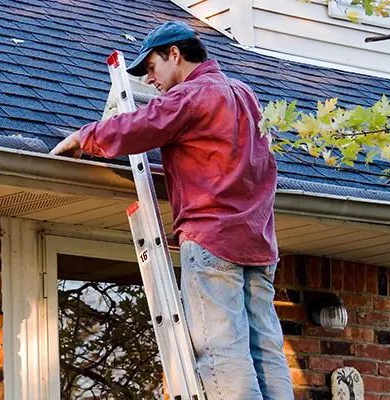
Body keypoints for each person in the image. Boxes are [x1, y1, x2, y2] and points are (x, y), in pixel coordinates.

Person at [50, 21, 294, 400]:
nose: (150, 81)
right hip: (259, 244)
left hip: (213, 241)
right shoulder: (245, 95)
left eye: (151, 68)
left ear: (175, 55)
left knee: (221, 351)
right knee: (266, 350)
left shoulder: (193, 95)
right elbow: (240, 163)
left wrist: (86, 136)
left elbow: (141, 126)